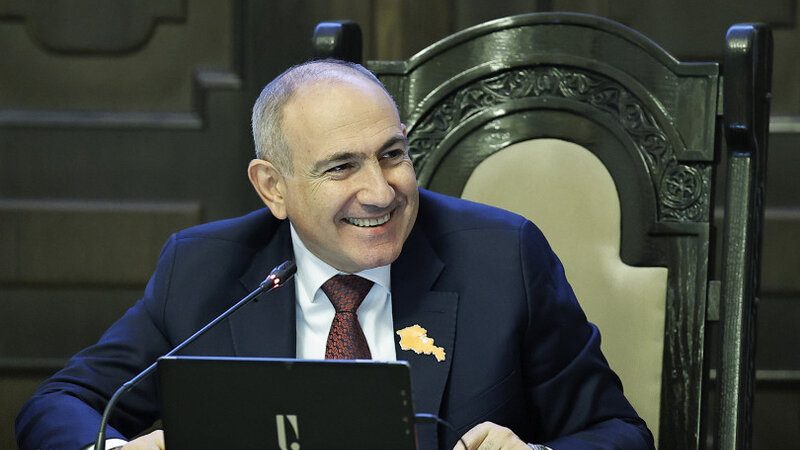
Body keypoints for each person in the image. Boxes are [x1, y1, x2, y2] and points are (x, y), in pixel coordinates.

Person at [16, 60, 654, 450]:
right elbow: (59, 405)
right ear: (273, 187)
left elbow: (620, 433)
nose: (380, 191)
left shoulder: (503, 259)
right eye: (341, 167)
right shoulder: (205, 269)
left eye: (392, 154)